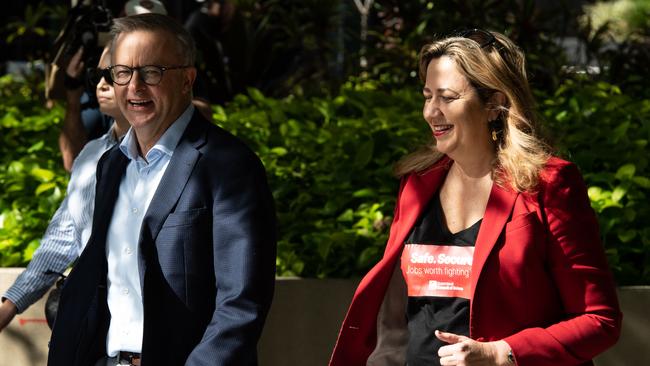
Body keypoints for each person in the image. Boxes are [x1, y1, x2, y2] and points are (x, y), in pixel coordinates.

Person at [329, 29, 622, 366]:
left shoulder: (547, 185)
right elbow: (397, 320)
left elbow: (600, 320)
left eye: (447, 97)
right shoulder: (417, 183)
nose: (431, 112)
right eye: (427, 96)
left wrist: (503, 353)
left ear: (494, 105)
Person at [47, 13, 277, 366]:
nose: (135, 87)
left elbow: (241, 303)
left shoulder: (228, 165)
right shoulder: (110, 165)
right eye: (122, 72)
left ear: (187, 79)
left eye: (152, 72)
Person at [0, 45, 129, 332]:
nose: (101, 84)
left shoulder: (171, 155)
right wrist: (9, 305)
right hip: (93, 321)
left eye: (115, 74)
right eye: (97, 75)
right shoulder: (92, 154)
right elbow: (64, 234)